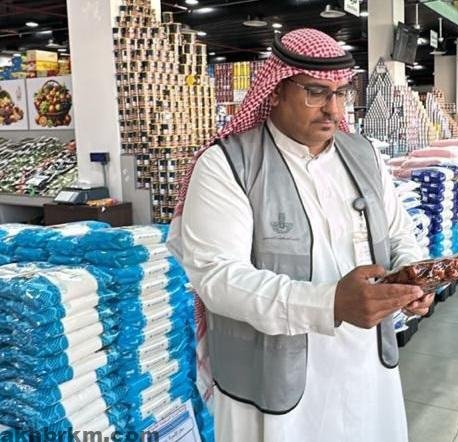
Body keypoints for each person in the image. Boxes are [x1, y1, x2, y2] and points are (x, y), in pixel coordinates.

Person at [168, 29, 431, 442]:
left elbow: (398, 234)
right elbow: (217, 278)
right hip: (270, 379)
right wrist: (330, 303)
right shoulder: (227, 164)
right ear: (275, 91)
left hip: (366, 366)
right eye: (315, 92)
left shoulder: (364, 155)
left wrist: (413, 276)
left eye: (340, 93)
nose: (333, 109)